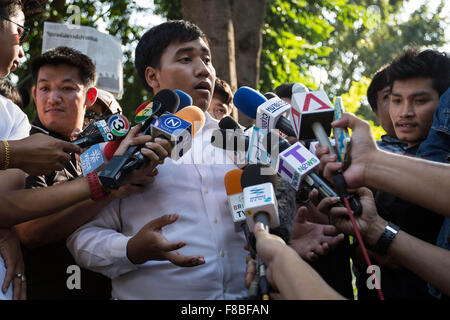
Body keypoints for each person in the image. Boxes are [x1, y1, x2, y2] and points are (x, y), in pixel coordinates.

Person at [67, 20, 252, 300]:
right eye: (186, 59)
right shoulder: (121, 147)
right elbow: (81, 238)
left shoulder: (238, 141)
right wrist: (131, 249)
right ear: (153, 77)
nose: (204, 70)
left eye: (207, 59)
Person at [14, 46, 171, 300]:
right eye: (45, 88)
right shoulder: (25, 147)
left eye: (67, 88)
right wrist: (110, 187)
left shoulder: (100, 147)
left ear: (89, 97)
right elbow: (30, 231)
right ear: (34, 94)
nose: (53, 97)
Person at [366, 65, 408, 154]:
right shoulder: (364, 154)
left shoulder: (442, 148)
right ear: (376, 111)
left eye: (419, 100)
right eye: (389, 96)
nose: (405, 109)